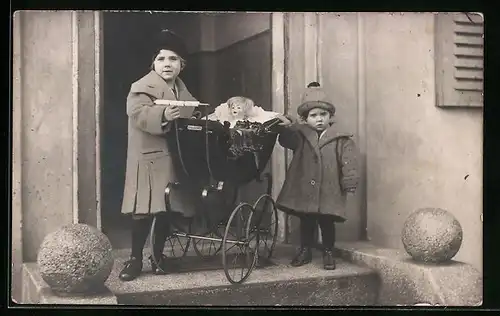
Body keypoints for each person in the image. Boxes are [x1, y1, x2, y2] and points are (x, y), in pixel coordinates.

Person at [119, 29, 199, 281]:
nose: (167, 64)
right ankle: (134, 259)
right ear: (153, 63)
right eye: (162, 59)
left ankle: (157, 256)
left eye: (173, 59)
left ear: (181, 65)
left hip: (171, 156)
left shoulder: (181, 90)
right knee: (143, 210)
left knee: (165, 208)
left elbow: (192, 110)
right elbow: (137, 113)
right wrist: (162, 115)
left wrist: (196, 116)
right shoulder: (142, 87)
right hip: (148, 156)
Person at [275, 82, 359, 270]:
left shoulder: (341, 139)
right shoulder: (301, 136)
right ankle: (305, 250)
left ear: (330, 116)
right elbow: (286, 140)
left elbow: (349, 163)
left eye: (323, 115)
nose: (319, 119)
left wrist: (349, 183)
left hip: (329, 188)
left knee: (327, 222)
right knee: (307, 221)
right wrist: (286, 127)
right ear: (305, 119)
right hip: (306, 189)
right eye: (313, 116)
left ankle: (328, 252)